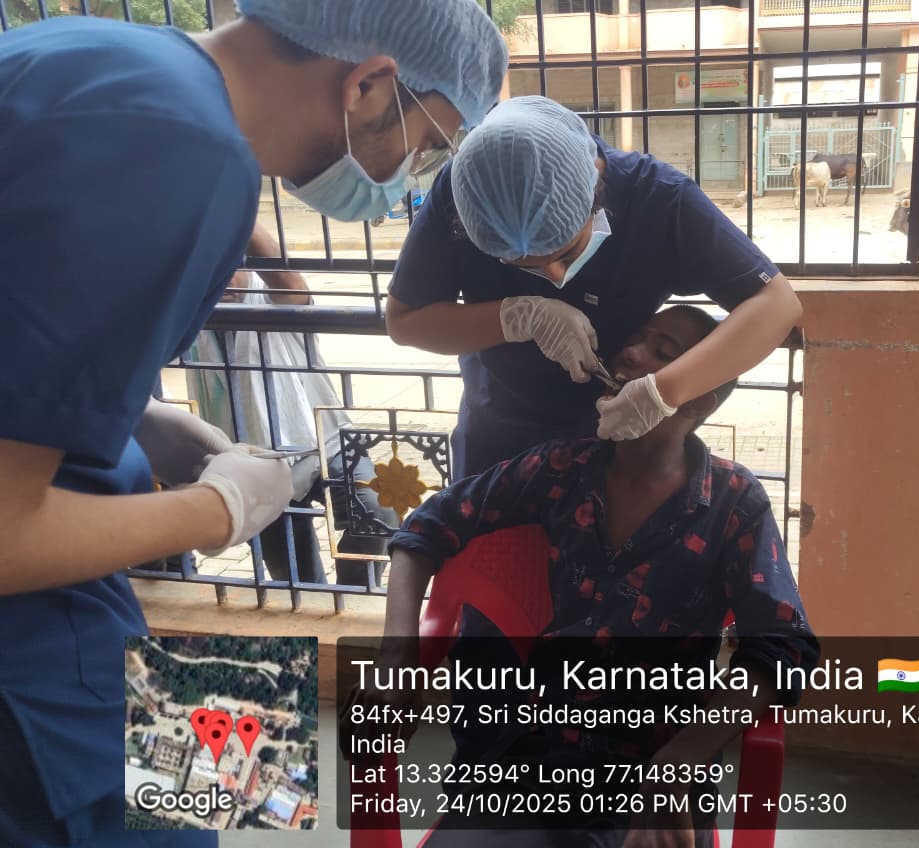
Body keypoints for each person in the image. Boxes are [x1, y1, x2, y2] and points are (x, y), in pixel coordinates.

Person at [0, 0, 506, 846]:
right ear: (368, 86)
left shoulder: (99, 57)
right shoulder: (187, 153)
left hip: (72, 582)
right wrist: (225, 506)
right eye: (428, 147)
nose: (409, 181)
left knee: (243, 768)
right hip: (32, 652)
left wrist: (140, 424)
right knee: (201, 796)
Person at [350, 305, 819, 847]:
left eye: (662, 353)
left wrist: (681, 762)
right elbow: (424, 531)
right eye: (636, 336)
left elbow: (783, 647)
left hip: (649, 778)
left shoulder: (734, 502)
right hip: (522, 764)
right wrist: (397, 654)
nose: (631, 352)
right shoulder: (561, 469)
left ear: (700, 400)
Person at [386, 95, 803, 479]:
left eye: (566, 253)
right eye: (522, 267)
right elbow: (405, 323)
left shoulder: (659, 201)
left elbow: (776, 304)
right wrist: (518, 317)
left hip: (618, 440)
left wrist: (664, 391)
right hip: (500, 433)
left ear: (596, 194)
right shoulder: (465, 193)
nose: (554, 277)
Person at [186, 223, 400, 586]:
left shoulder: (270, 296)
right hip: (254, 458)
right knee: (293, 577)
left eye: (232, 266)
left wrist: (233, 199)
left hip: (322, 442)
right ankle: (315, 607)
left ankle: (351, 593)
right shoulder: (193, 319)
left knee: (380, 510)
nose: (226, 280)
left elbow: (289, 282)